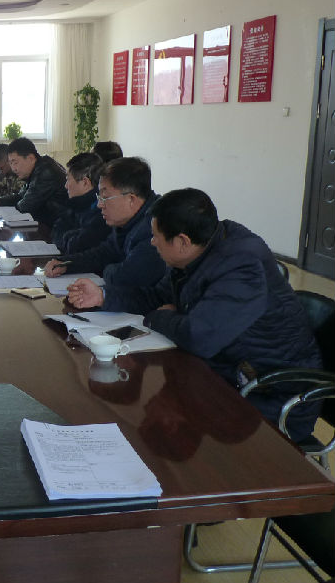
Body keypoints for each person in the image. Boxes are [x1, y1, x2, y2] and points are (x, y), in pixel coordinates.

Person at [66, 188, 323, 441]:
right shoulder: (197, 253)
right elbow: (158, 298)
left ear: (182, 242)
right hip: (228, 373)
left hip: (272, 395)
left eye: (156, 236)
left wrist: (158, 318)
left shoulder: (241, 265)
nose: (152, 242)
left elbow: (199, 337)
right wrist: (104, 296)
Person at [44, 157, 165, 287]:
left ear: (131, 199)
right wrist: (66, 264)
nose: (99, 205)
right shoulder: (127, 220)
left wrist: (106, 269)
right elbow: (104, 253)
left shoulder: (155, 228)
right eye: (99, 197)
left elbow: (124, 278)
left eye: (105, 198)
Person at [0, 137, 68, 225]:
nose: (13, 169)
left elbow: (25, 205)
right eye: (11, 163)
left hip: (59, 226)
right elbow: (20, 196)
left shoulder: (46, 172)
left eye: (15, 162)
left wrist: (2, 210)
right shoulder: (36, 168)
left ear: (31, 158)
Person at [51, 152, 110, 254]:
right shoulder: (77, 204)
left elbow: (75, 246)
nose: (66, 186)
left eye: (68, 179)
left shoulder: (100, 211)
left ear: (85, 182)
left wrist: (66, 237)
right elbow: (56, 231)